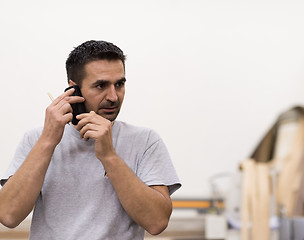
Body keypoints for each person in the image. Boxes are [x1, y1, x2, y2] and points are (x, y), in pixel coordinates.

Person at [0, 40, 181, 240]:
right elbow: (8, 215)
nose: (113, 96)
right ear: (73, 89)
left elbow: (157, 223)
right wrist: (48, 141)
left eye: (119, 84)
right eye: (101, 85)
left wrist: (109, 156)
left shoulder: (146, 140)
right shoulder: (36, 139)